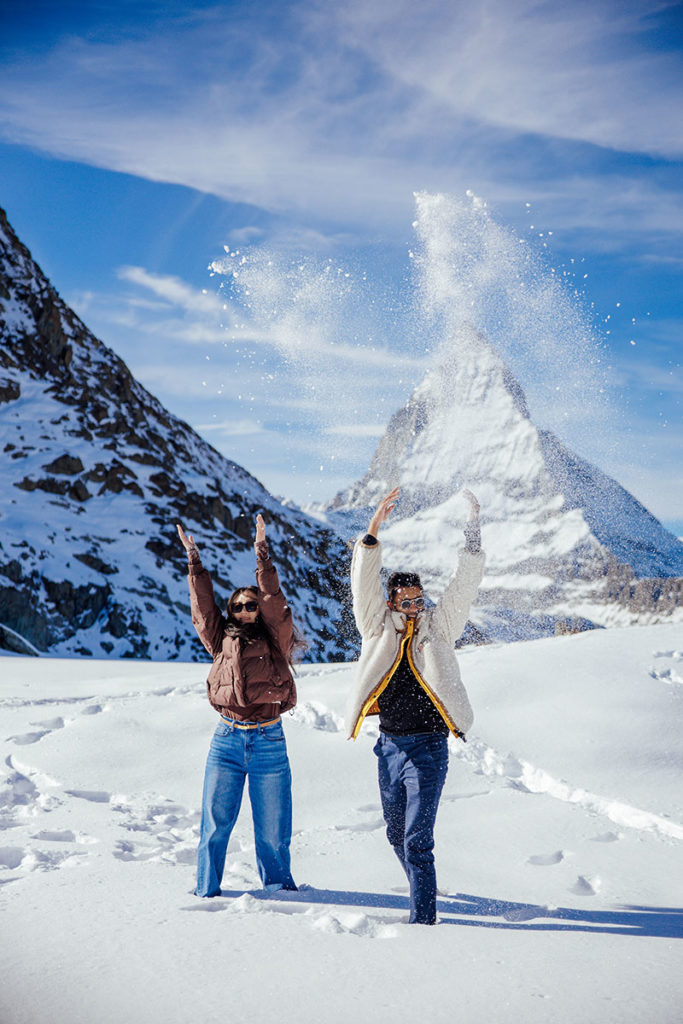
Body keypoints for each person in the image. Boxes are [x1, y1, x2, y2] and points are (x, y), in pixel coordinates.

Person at [347, 486, 485, 924]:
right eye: (407, 601)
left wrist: (474, 537)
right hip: (388, 747)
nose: (414, 607)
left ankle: (424, 924)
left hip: (429, 749)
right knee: (395, 834)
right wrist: (372, 532)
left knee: (417, 840)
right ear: (392, 603)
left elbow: (464, 587)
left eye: (419, 600)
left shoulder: (438, 629)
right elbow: (363, 584)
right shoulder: (376, 628)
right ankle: (421, 886)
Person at [177, 514, 298, 897]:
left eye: (250, 606)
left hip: (268, 741)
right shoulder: (219, 639)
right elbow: (202, 607)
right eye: (238, 607)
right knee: (214, 826)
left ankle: (279, 893)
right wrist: (194, 560)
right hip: (226, 740)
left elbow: (275, 602)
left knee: (273, 831)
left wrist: (262, 553)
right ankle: (205, 892)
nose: (244, 611)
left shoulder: (277, 638)